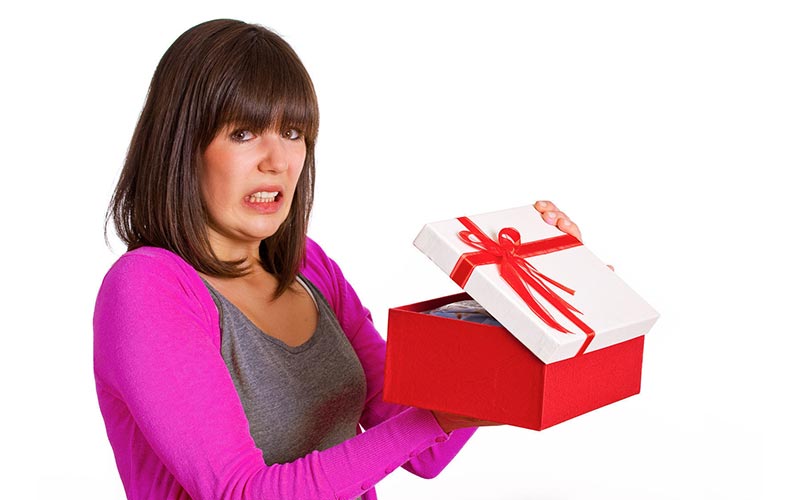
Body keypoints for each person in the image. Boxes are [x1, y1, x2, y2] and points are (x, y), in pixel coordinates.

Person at [94, 19, 583, 500]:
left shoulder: (308, 267)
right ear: (181, 147)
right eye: (243, 134)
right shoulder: (147, 287)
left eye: (292, 132)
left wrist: (519, 298)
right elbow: (240, 492)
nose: (277, 161)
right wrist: (436, 418)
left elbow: (423, 448)